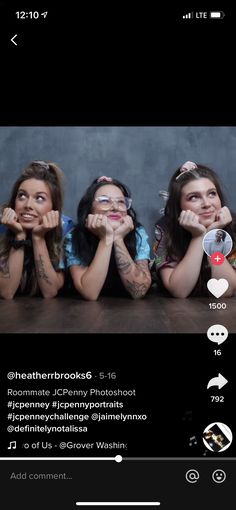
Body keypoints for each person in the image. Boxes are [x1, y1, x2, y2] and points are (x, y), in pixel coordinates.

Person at [152, 161, 236, 297]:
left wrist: (212, 236)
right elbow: (179, 291)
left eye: (212, 194)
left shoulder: (233, 226)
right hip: (179, 314)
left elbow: (226, 291)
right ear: (179, 207)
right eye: (194, 197)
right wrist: (198, 237)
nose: (207, 204)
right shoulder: (166, 229)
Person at [63, 176, 152, 300]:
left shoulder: (137, 233)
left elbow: (138, 291)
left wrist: (118, 239)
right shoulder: (74, 237)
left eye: (121, 202)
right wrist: (106, 238)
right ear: (90, 208)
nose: (115, 207)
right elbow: (90, 293)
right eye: (104, 201)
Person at [0, 160, 66, 299]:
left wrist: (38, 237)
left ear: (54, 208)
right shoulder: (2, 230)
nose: (28, 205)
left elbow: (50, 291)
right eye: (22, 196)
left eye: (40, 198)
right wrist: (19, 235)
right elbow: (6, 292)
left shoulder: (65, 235)